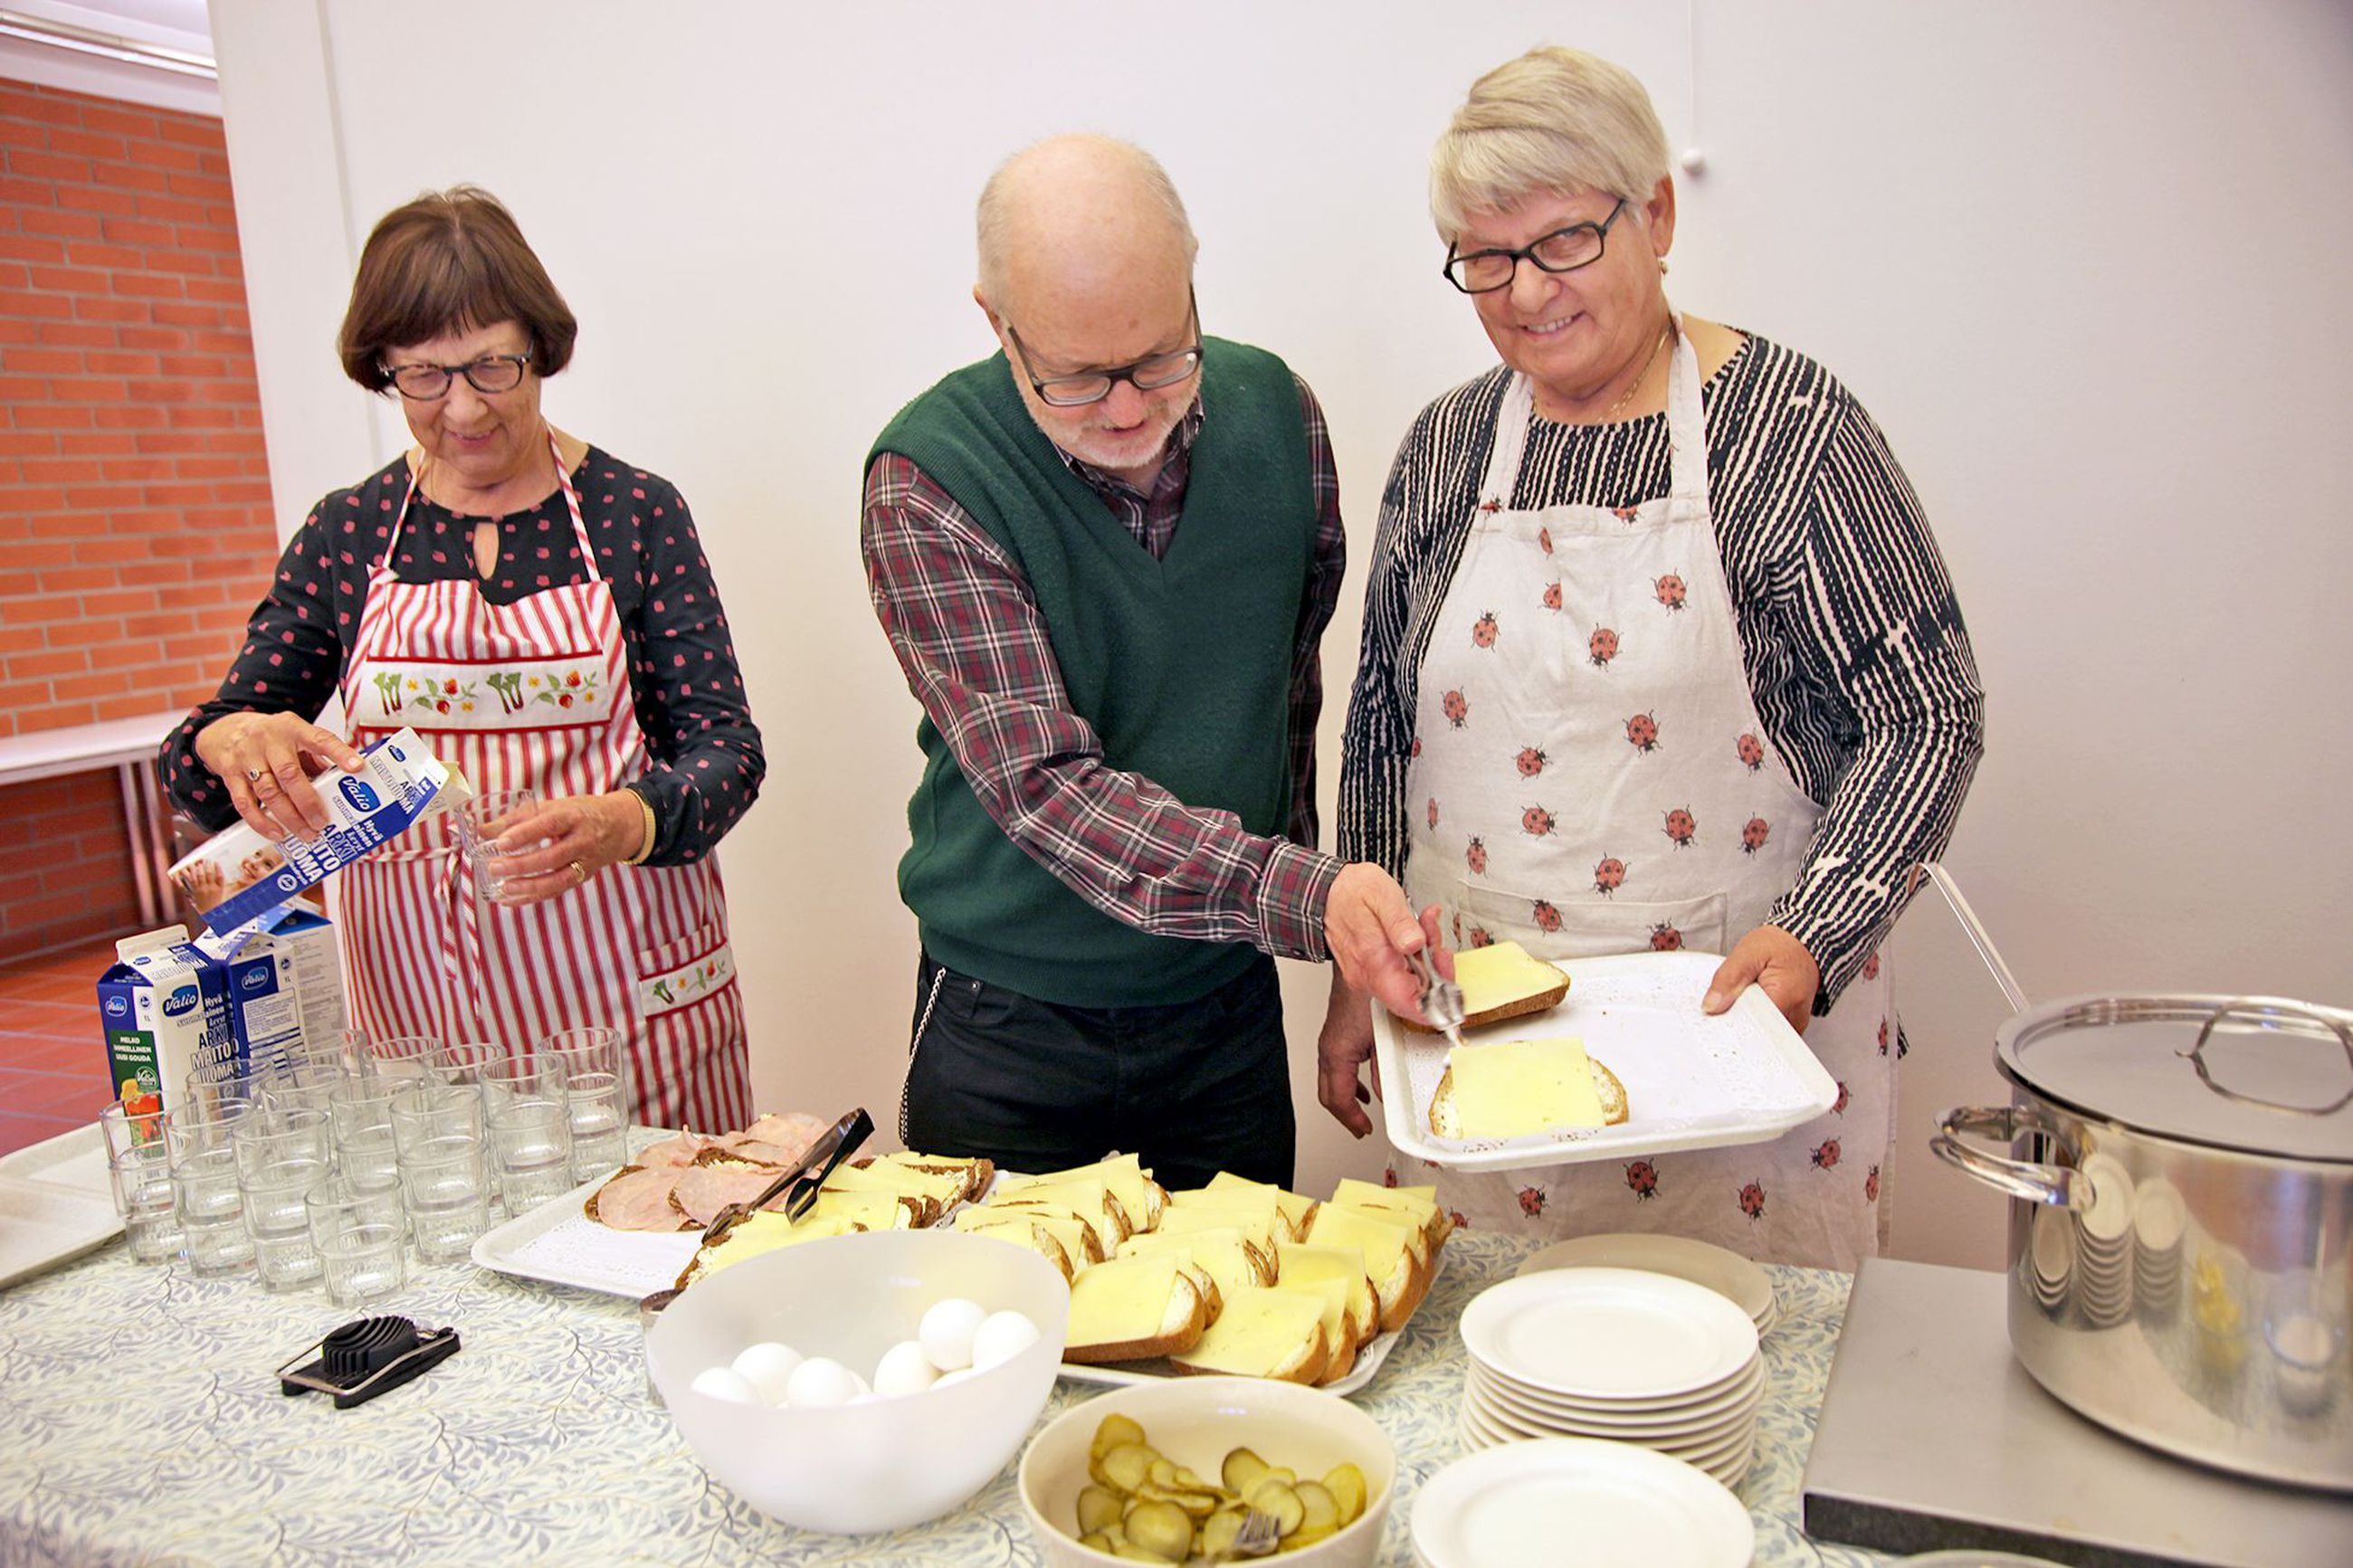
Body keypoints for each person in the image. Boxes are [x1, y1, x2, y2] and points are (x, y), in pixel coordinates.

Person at [1319, 48, 1985, 1269]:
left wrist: (1819, 934)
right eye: (1487, 258)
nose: (1526, 292)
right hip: (1482, 1045)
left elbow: (1927, 713)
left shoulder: (1790, 435)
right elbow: (1375, 720)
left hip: (1736, 1051)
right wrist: (1356, 983)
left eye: (1565, 241)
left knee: (1734, 1387)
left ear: (1657, 213)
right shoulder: (1448, 446)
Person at [863, 135, 1438, 1193]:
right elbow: (1045, 788)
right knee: (1004, 1340)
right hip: (1009, 1022)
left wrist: (1337, 927)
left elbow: (1285, 695)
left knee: (1243, 1336)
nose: (1128, 409)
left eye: (1162, 355)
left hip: (1219, 1007)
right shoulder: (929, 477)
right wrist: (1307, 895)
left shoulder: (1279, 415)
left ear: (1190, 279)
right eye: (1077, 378)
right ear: (996, 320)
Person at [162, 187, 765, 1132]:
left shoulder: (632, 515)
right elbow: (206, 749)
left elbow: (726, 752)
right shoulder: (349, 530)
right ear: (383, 371)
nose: (465, 408)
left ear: (540, 346)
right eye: (425, 378)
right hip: (420, 1051)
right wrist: (235, 740)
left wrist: (624, 819)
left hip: (635, 1025)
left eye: (492, 365)